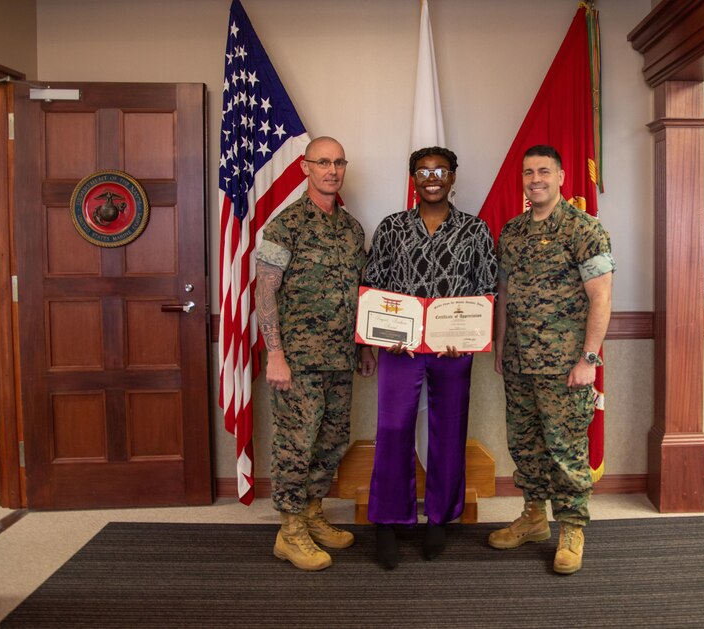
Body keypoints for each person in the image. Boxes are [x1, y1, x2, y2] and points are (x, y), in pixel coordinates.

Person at [360, 146, 497, 569]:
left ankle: (439, 516)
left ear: (453, 177)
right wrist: (372, 341)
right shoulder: (391, 228)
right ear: (413, 179)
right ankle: (387, 519)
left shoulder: (475, 231)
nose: (432, 177)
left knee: (449, 430)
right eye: (423, 171)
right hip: (399, 349)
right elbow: (373, 287)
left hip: (453, 350)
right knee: (394, 429)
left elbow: (486, 290)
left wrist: (470, 338)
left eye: (440, 170)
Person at [488, 144, 614, 575]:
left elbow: (602, 298)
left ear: (561, 176)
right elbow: (504, 294)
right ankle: (534, 516)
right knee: (525, 446)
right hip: (521, 363)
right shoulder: (512, 232)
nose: (535, 179)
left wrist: (589, 359)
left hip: (566, 368)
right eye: (528, 172)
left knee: (566, 451)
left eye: (544, 171)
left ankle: (572, 528)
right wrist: (501, 343)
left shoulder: (585, 230)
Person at [255, 136, 376, 571]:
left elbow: (360, 292)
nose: (332, 169)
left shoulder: (351, 228)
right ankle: (289, 531)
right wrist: (275, 354)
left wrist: (362, 347)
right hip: (299, 361)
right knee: (296, 444)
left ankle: (312, 512)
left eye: (338, 162)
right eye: (322, 162)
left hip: (340, 358)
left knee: (331, 442)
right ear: (305, 168)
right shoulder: (283, 226)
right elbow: (264, 292)